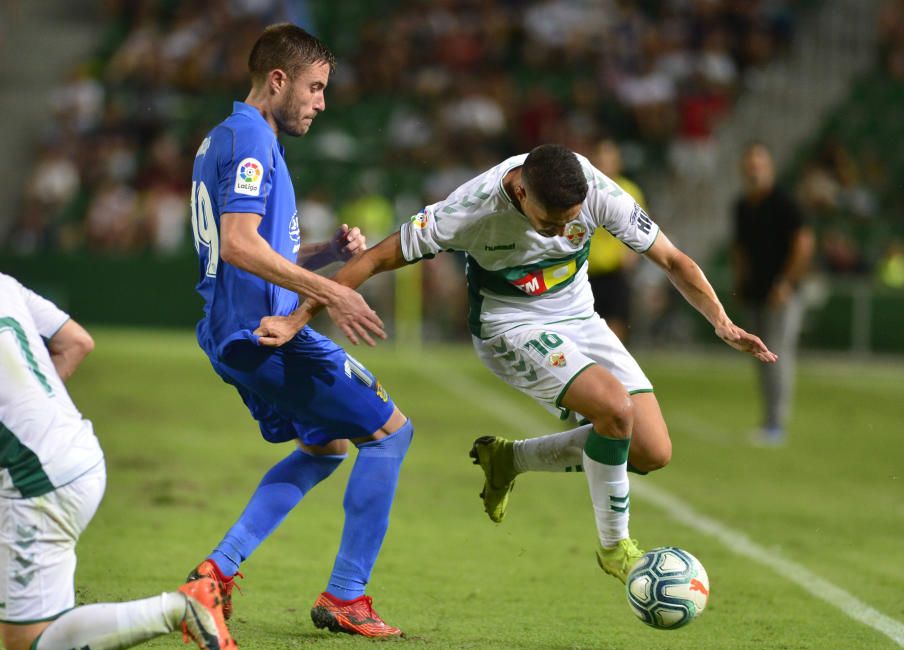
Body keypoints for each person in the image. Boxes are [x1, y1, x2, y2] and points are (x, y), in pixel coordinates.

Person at [255, 144, 776, 583]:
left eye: (568, 224)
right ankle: (616, 549)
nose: (557, 234)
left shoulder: (595, 191)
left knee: (652, 450)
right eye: (549, 224)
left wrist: (722, 322)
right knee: (615, 411)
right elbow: (373, 259)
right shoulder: (471, 209)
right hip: (510, 326)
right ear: (521, 192)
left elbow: (673, 260)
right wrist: (300, 318)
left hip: (580, 315)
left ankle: (510, 460)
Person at [187, 23, 412, 638]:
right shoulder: (252, 141)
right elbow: (236, 246)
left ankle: (215, 575)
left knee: (326, 446)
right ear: (278, 80)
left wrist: (323, 255)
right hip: (263, 331)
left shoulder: (228, 138)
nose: (321, 101)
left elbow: (256, 245)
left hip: (234, 331)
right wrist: (332, 290)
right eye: (314, 87)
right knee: (390, 436)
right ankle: (347, 597)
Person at [0, 273, 238, 650]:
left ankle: (181, 608)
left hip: (38, 482)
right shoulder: (6, 283)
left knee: (29, 643)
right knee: (39, 627)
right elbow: (77, 343)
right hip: (78, 451)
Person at [731, 142, 814, 445]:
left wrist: (787, 282)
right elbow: (740, 249)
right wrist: (740, 282)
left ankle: (776, 423)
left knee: (777, 353)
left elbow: (804, 243)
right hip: (755, 292)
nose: (754, 170)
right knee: (760, 356)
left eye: (759, 164)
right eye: (749, 165)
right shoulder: (742, 205)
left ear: (770, 169)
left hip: (781, 293)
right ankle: (769, 420)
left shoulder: (784, 202)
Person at [587, 138, 644, 343]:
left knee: (615, 328)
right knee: (587, 331)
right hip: (585, 273)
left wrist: (630, 256)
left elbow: (640, 230)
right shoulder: (583, 190)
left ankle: (612, 370)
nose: (603, 160)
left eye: (608, 156)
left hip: (615, 273)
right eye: (599, 156)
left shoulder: (629, 191)